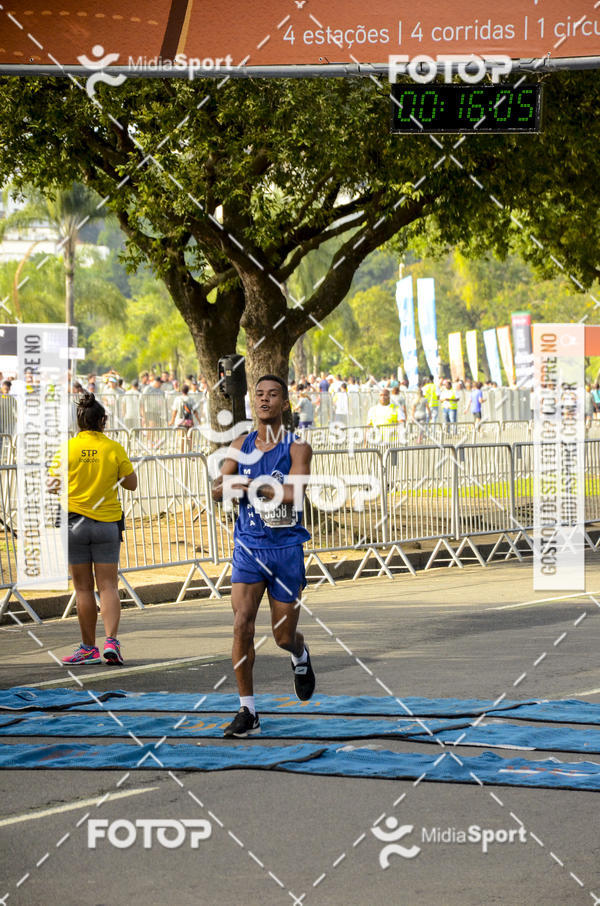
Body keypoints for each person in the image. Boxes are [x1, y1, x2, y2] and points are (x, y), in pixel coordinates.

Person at [212, 375, 315, 738]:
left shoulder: (297, 448)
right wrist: (226, 485)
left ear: (284, 404)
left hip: (285, 550)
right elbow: (217, 488)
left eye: (273, 395)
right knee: (241, 624)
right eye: (259, 395)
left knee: (282, 636)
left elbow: (296, 493)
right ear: (253, 403)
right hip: (249, 547)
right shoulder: (240, 445)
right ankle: (248, 710)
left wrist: (253, 485)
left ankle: (299, 654)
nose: (265, 400)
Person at [54, 393, 137, 666]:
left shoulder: (67, 448)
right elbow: (131, 483)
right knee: (108, 586)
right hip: (106, 524)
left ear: (79, 422)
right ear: (103, 421)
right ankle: (111, 642)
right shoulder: (112, 448)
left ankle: (88, 648)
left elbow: (51, 485)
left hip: (73, 523)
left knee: (83, 589)